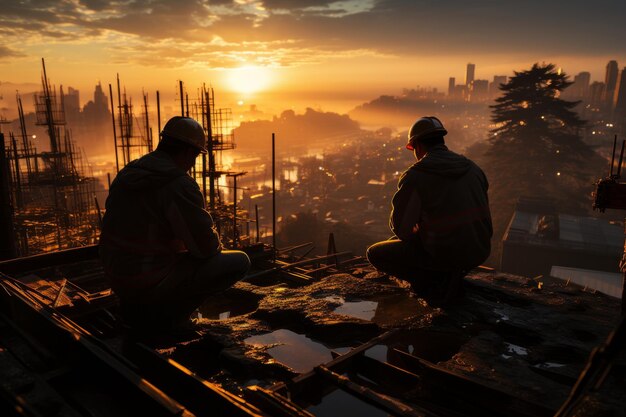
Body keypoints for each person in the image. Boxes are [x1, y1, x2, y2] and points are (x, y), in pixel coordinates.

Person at [99, 116, 251, 332]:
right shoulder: (176, 184)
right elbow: (205, 248)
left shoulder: (129, 172)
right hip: (148, 280)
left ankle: (142, 311)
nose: (193, 163)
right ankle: (173, 318)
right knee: (239, 262)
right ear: (189, 152)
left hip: (117, 278)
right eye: (196, 156)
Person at [366, 116, 492, 305]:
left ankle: (433, 283)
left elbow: (401, 230)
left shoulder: (417, 175)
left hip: (445, 255)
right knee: (397, 242)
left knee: (375, 253)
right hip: (478, 251)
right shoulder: (473, 168)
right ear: (441, 140)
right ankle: (448, 273)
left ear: (416, 145)